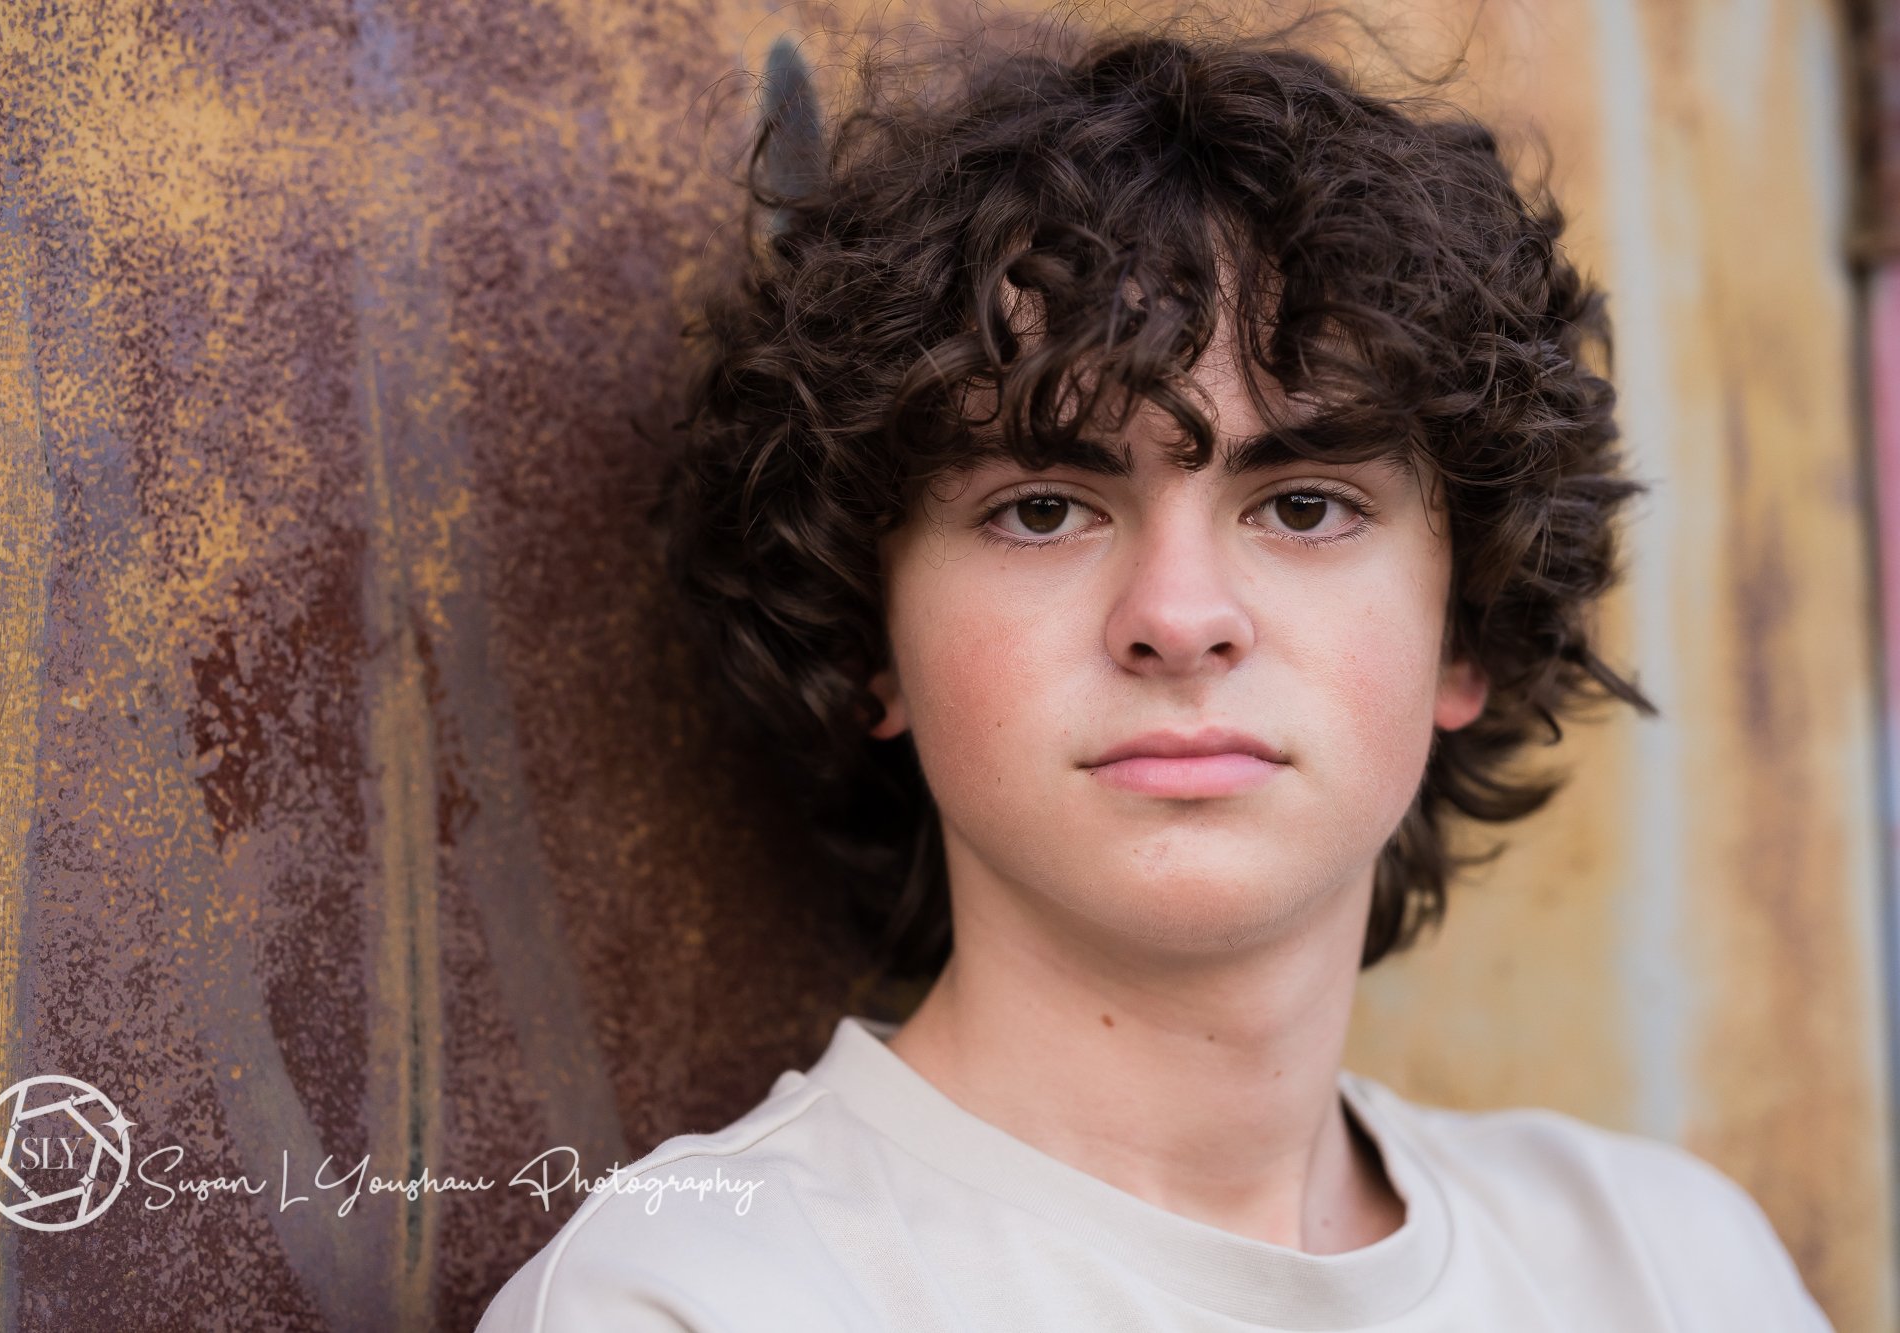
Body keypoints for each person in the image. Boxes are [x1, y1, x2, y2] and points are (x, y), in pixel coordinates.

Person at [476, 18, 1836, 1332]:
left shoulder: (1672, 1268)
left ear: (1465, 631)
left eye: (1303, 506)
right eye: (1042, 509)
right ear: (867, 637)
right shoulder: (694, 1303)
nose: (1180, 620)